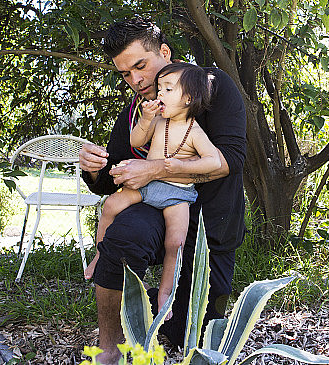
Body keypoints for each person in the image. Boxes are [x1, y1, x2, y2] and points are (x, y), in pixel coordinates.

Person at [79, 18, 246, 365]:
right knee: (122, 237)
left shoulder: (213, 85)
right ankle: (108, 347)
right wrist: (93, 169)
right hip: (154, 210)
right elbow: (112, 178)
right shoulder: (136, 112)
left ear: (165, 53)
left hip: (211, 223)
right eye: (125, 74)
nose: (135, 80)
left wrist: (155, 168)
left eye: (141, 66)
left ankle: (151, 302)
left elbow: (230, 160)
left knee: (193, 333)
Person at [84, 62, 222, 319]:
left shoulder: (195, 131)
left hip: (177, 194)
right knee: (110, 205)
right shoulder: (158, 120)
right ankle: (100, 255)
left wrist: (180, 166)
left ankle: (165, 293)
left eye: (168, 89)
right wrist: (145, 119)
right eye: (159, 89)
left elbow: (214, 161)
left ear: (188, 98)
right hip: (147, 185)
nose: (160, 94)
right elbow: (135, 141)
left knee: (175, 242)